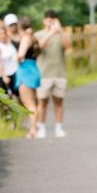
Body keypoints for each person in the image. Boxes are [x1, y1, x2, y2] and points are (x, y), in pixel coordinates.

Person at [35, 9, 70, 138]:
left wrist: (60, 31)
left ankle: (59, 128)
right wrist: (50, 33)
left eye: (53, 20)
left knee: (59, 102)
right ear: (44, 21)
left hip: (59, 73)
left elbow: (67, 46)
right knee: (42, 102)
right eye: (48, 19)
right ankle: (41, 128)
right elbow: (39, 47)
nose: (50, 22)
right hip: (43, 74)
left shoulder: (62, 34)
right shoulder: (39, 34)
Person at [15, 18, 42, 136]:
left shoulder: (25, 38)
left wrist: (16, 58)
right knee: (33, 101)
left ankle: (33, 130)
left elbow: (21, 54)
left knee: (28, 103)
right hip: (33, 68)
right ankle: (36, 127)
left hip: (26, 71)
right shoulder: (33, 37)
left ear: (20, 27)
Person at [0, 23, 18, 100]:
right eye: (0, 34)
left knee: (15, 97)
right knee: (4, 100)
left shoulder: (9, 43)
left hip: (12, 73)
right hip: (2, 76)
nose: (2, 36)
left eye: (3, 33)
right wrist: (4, 76)